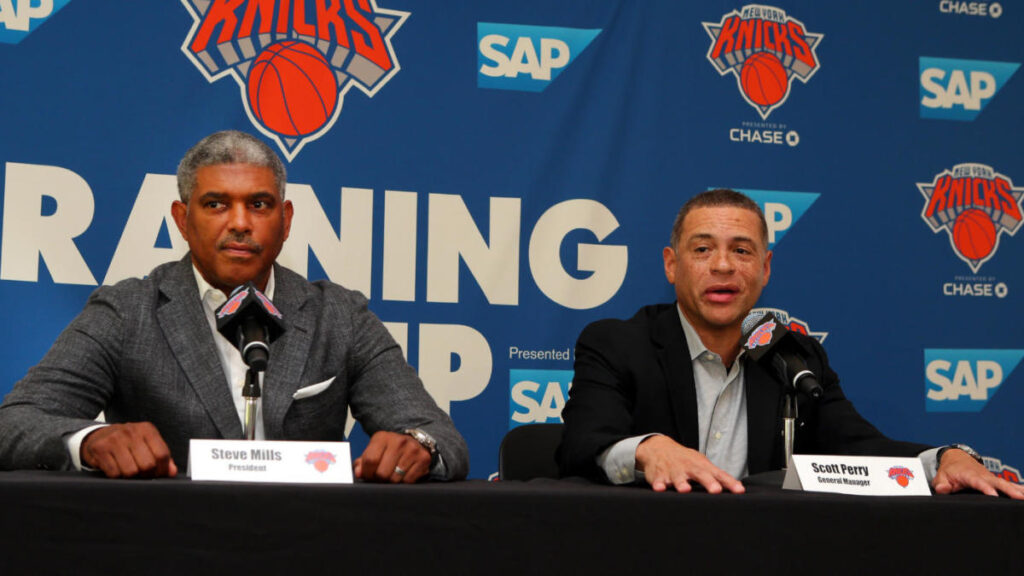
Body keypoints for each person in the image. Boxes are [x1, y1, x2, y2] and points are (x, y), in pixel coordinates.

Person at [0, 130, 468, 482]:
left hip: (310, 546)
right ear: (182, 220)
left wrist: (418, 447)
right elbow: (14, 422)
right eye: (217, 205)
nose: (241, 223)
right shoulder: (128, 311)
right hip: (166, 546)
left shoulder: (340, 316)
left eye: (260, 204)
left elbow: (439, 435)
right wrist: (90, 441)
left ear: (284, 222)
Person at [558, 188, 1023, 498]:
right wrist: (650, 448)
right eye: (702, 250)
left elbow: (857, 446)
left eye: (742, 250)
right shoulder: (617, 344)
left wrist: (944, 457)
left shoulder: (794, 357)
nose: (722, 266)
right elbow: (581, 443)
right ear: (671, 265)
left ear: (765, 269)